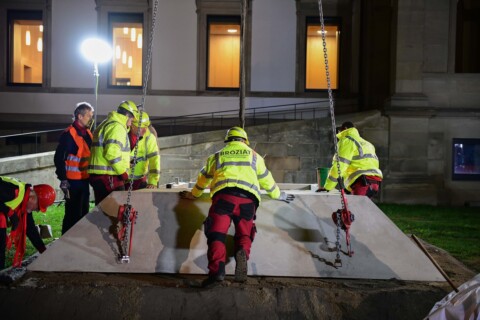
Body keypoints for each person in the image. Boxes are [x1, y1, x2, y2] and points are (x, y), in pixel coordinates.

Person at [180, 126, 295, 287]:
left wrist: (194, 194)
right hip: (248, 200)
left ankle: (217, 273)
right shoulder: (254, 156)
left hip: (224, 198)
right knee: (244, 235)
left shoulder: (217, 156)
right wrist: (279, 195)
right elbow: (267, 180)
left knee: (216, 234)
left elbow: (203, 178)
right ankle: (242, 253)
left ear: (228, 140)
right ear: (244, 141)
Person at [88, 100, 139, 205]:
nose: (133, 120)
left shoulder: (107, 123)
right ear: (127, 115)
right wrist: (122, 172)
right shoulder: (117, 127)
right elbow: (111, 152)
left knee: (103, 210)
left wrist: (127, 162)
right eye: (133, 116)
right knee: (114, 212)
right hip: (109, 177)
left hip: (101, 176)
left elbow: (111, 150)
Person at [54, 102, 94, 234]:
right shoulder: (68, 134)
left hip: (84, 180)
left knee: (84, 212)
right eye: (89, 115)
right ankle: (67, 240)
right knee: (72, 214)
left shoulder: (88, 133)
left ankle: (79, 239)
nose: (91, 118)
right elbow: (59, 158)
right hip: (72, 182)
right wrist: (63, 179)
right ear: (80, 116)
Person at [0, 176, 56, 269]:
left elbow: (31, 229)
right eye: (38, 207)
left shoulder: (24, 198)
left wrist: (44, 251)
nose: (37, 211)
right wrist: (10, 212)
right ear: (32, 198)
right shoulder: (13, 191)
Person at [318, 121, 382, 197]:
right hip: (375, 182)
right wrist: (348, 189)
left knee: (355, 208)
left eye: (339, 131)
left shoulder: (347, 140)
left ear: (345, 128)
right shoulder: (368, 144)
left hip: (362, 183)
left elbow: (339, 167)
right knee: (360, 208)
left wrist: (327, 187)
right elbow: (363, 165)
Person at [126, 111, 160, 190]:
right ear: (132, 125)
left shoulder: (149, 138)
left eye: (146, 127)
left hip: (139, 182)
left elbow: (154, 160)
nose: (145, 130)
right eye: (141, 127)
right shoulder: (122, 134)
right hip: (120, 180)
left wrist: (153, 182)